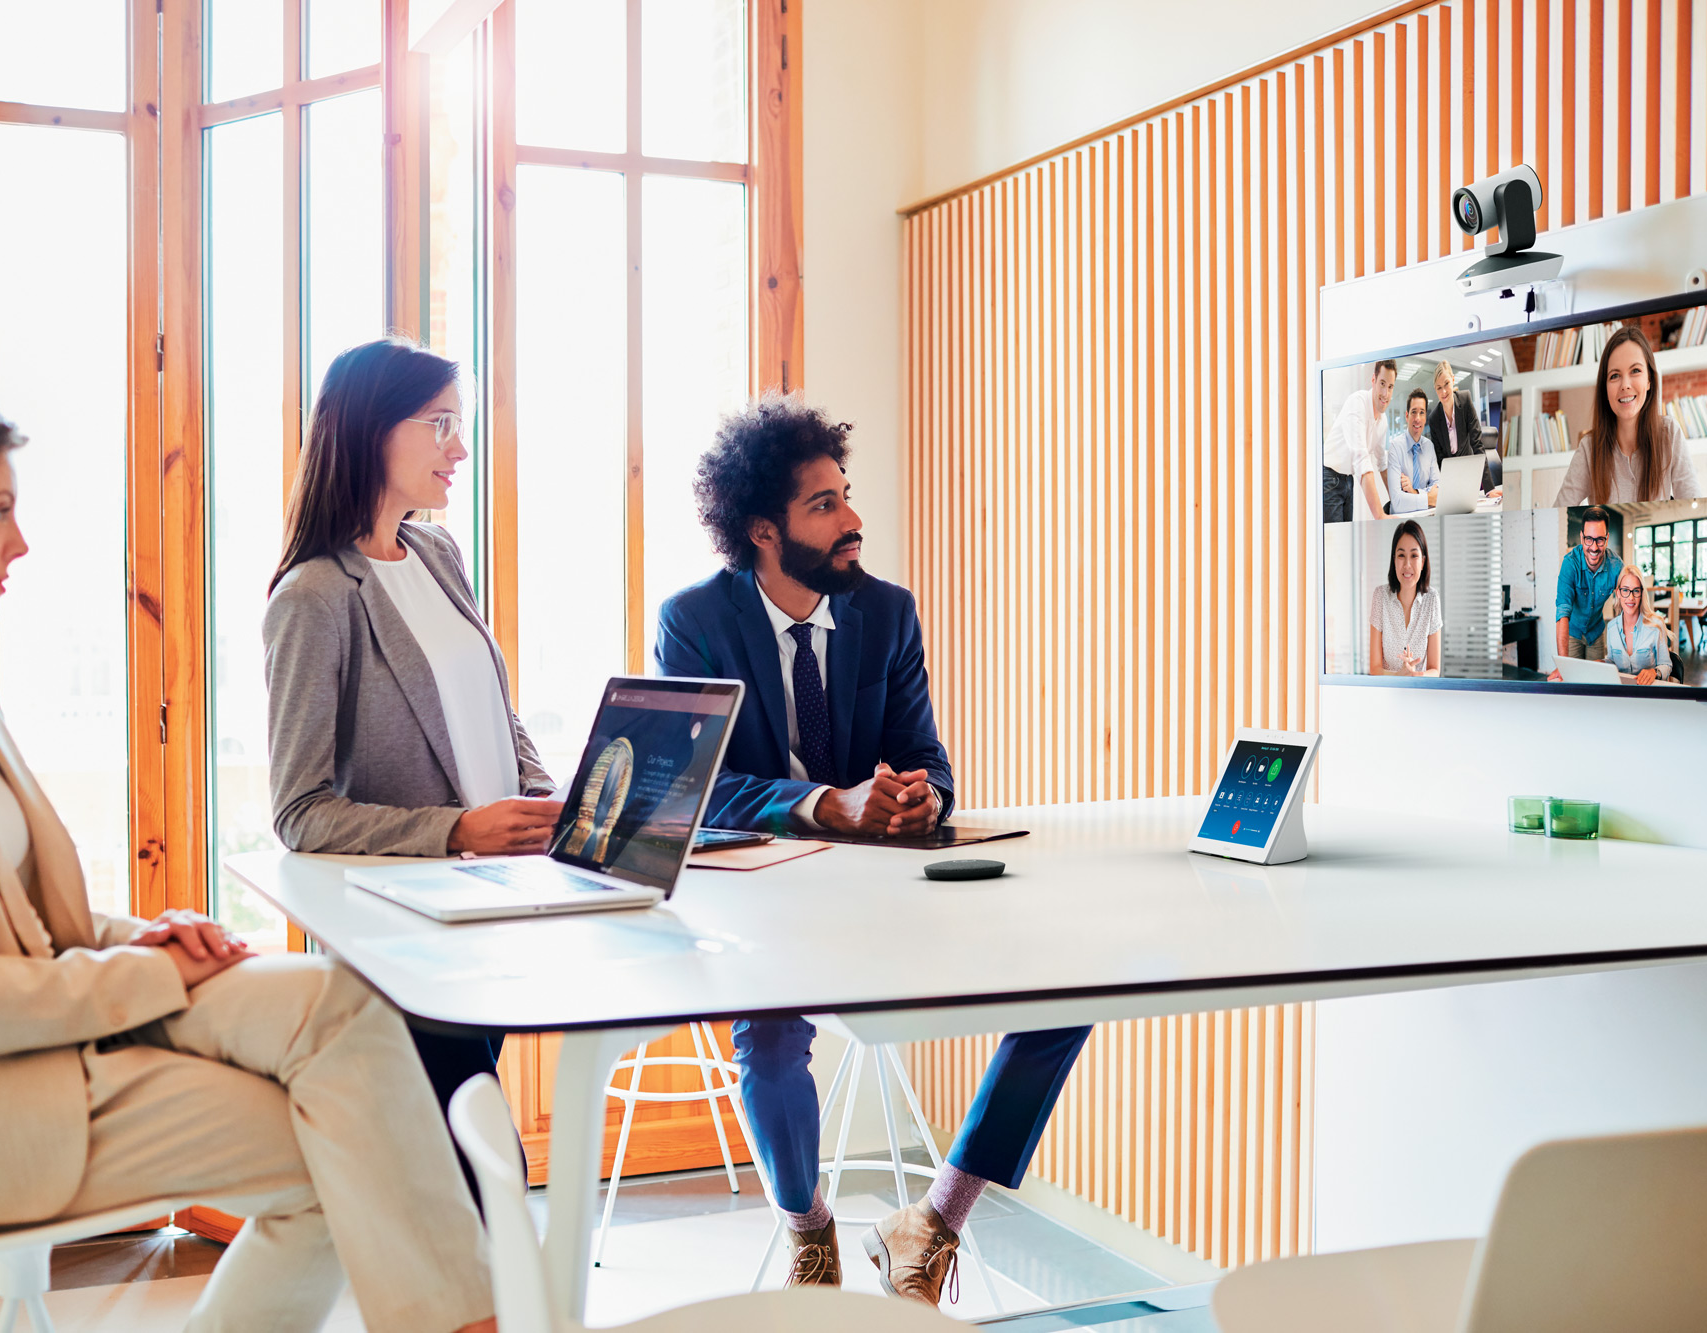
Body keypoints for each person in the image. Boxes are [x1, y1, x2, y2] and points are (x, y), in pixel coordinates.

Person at [0, 377, 495, 1333]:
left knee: (345, 1006)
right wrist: (146, 974)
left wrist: (149, 936)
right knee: (349, 1144)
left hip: (58, 1016)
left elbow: (33, 913)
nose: (21, 543)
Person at [654, 396, 1090, 1307]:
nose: (854, 520)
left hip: (897, 898)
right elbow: (691, 790)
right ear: (763, 530)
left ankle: (934, 1220)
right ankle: (811, 1231)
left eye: (847, 495)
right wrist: (824, 802)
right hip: (766, 906)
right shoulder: (694, 620)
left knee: (1074, 981)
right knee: (769, 1038)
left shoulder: (887, 614)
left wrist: (920, 795)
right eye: (825, 505)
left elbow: (928, 754)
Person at [263, 337, 561, 1158]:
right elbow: (300, 810)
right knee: (473, 1152)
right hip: (413, 923)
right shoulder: (315, 596)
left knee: (459, 1150)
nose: (458, 448)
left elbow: (492, 708)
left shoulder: (438, 553)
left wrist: (543, 794)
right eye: (439, 424)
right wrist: (457, 830)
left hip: (500, 895)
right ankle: (490, 1288)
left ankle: (473, 1284)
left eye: (458, 425)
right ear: (369, 431)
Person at [1556, 325, 1704, 505]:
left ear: (1649, 380)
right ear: (1605, 388)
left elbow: (1695, 508)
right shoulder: (1590, 448)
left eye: (1635, 371)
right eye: (1614, 376)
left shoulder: (1669, 433)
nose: (1625, 385)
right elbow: (1558, 514)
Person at [1322, 359, 1398, 523]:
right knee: (1335, 543)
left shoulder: (1382, 421)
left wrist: (1396, 501)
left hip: (1348, 480)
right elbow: (1361, 458)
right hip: (1329, 477)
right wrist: (1379, 515)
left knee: (1345, 539)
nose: (1385, 393)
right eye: (1382, 384)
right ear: (1373, 380)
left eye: (1390, 387)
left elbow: (1382, 463)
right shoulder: (1357, 403)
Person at [1367, 519, 1441, 675]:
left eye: (1414, 555)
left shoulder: (1432, 599)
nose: (1407, 564)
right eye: (1401, 555)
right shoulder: (1380, 596)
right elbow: (1374, 669)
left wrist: (1416, 676)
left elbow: (1435, 670)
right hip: (1386, 693)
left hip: (1419, 693)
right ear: (1394, 560)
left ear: (1423, 561)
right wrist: (1398, 676)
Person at [1553, 508, 1622, 670]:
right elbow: (1562, 612)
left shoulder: (1616, 565)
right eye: (1589, 539)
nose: (1594, 547)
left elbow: (1628, 602)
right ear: (1581, 537)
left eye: (1600, 540)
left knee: (1595, 682)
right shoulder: (1570, 564)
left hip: (1596, 633)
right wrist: (1563, 666)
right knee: (1572, 679)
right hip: (1572, 632)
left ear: (1607, 538)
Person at [1602, 563, 1672, 684]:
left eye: (1636, 591)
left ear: (1641, 594)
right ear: (1618, 593)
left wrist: (1654, 672)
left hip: (1648, 693)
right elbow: (1612, 661)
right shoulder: (1611, 627)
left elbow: (1666, 665)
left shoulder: (1655, 625)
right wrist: (1602, 663)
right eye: (1625, 590)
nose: (1631, 597)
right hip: (1622, 693)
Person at [1385, 389, 1441, 515]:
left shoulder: (1429, 447)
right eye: (1413, 412)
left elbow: (1439, 488)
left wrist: (1414, 491)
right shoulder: (1395, 447)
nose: (1417, 418)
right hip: (1402, 520)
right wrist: (1428, 498)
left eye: (1422, 413)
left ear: (1426, 417)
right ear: (1406, 416)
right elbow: (1397, 502)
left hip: (1427, 516)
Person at [1426, 360, 1483, 463]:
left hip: (1469, 465)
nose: (1443, 392)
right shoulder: (1433, 418)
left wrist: (1486, 478)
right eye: (1439, 388)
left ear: (1453, 379)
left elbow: (1477, 444)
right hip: (1449, 472)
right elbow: (1439, 457)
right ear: (1435, 390)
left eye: (1446, 383)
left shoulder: (1465, 400)